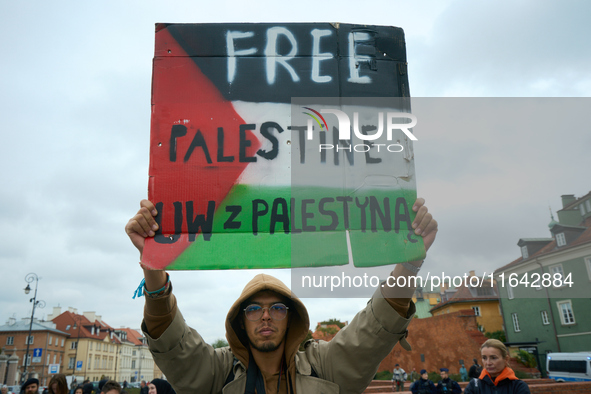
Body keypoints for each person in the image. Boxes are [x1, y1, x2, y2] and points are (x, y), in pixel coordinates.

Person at [126, 198, 438, 394]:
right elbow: (173, 344)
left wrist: (409, 264)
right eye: (253, 309)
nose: (265, 316)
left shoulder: (322, 366)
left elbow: (373, 331)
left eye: (277, 308)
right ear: (239, 319)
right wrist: (153, 263)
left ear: (291, 317)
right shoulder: (217, 374)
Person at [464, 339, 530, 394]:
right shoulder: (474, 386)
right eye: (484, 358)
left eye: (493, 358)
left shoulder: (518, 387)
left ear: (506, 359)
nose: (488, 363)